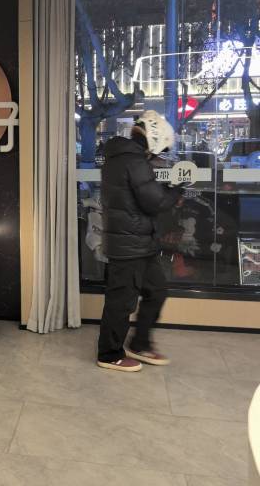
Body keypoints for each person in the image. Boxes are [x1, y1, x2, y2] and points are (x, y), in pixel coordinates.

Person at [97, 110, 182, 372]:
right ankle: (109, 354)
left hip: (138, 243)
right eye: (162, 149)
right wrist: (176, 189)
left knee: (156, 291)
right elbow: (154, 202)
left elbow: (139, 198)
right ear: (155, 139)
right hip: (129, 246)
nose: (160, 154)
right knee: (121, 302)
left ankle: (140, 343)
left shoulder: (121, 158)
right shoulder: (133, 161)